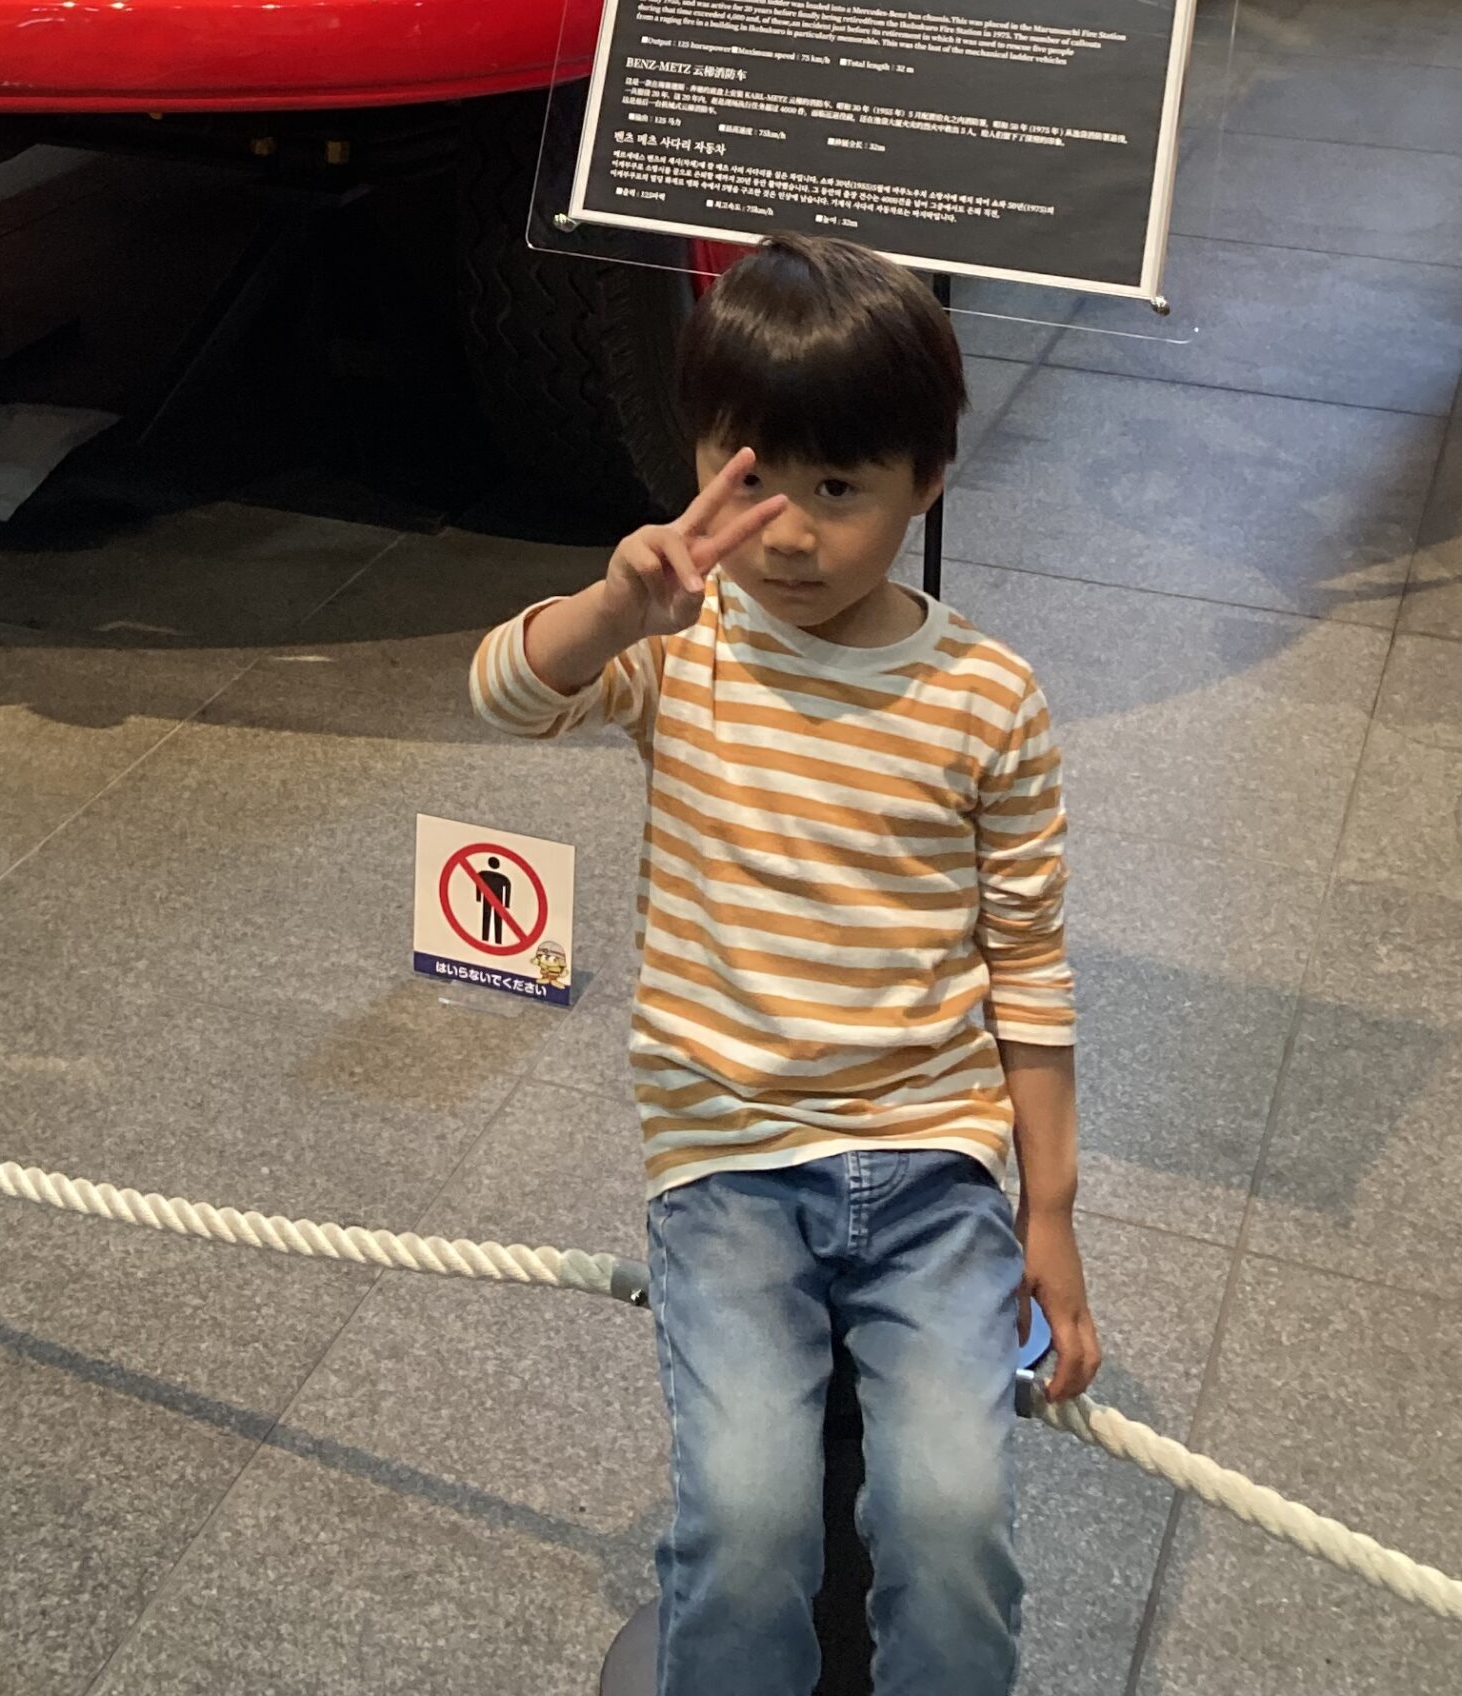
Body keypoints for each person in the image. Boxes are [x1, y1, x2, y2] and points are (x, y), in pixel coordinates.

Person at [469, 232, 1099, 1696]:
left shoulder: (986, 700)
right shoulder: (680, 649)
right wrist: (616, 606)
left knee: (948, 1516)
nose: (794, 536)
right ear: (700, 460)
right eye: (753, 483)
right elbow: (505, 693)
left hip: (936, 1172)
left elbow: (1033, 969)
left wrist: (1051, 1213)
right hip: (729, 1164)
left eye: (841, 488)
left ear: (926, 483)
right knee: (746, 1525)